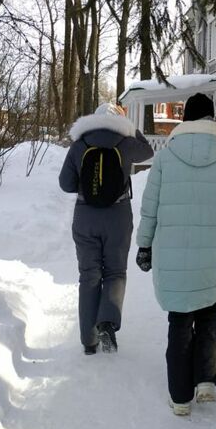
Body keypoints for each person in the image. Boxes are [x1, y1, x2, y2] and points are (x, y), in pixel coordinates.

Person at [136, 93, 216, 416]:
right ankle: (206, 380)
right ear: (211, 118)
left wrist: (144, 245)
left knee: (180, 321)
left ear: (185, 119)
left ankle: (181, 398)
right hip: (211, 255)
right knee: (208, 314)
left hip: (173, 255)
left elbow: (150, 206)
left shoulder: (166, 156)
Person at [59, 102, 154, 354]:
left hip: (85, 216)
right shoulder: (125, 142)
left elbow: (65, 184)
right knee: (115, 272)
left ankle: (88, 342)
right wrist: (131, 129)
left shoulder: (79, 144)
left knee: (89, 276)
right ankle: (107, 322)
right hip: (118, 216)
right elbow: (149, 151)